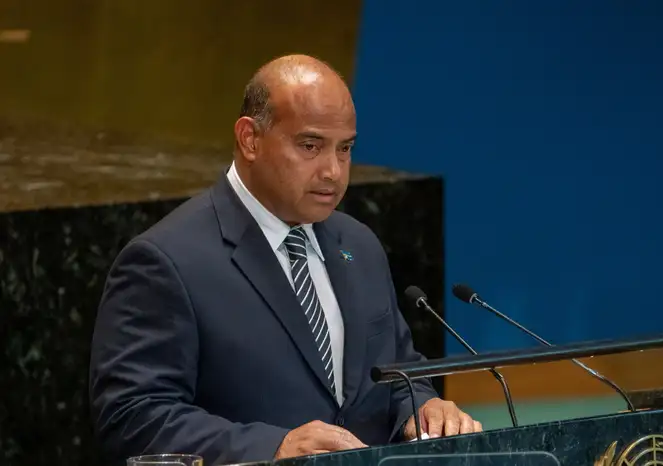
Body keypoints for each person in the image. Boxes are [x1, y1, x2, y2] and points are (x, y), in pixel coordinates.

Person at [88, 54, 482, 465]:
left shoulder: (358, 244)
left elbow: (397, 374)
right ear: (250, 139)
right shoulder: (166, 262)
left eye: (345, 149)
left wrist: (422, 406)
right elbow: (133, 415)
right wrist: (273, 448)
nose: (333, 171)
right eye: (310, 146)